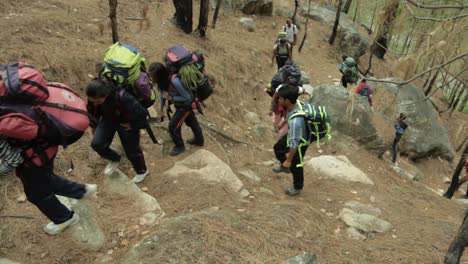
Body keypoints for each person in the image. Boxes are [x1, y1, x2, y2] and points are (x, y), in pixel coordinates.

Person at [0, 138, 96, 235]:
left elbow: (14, 159)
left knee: (37, 195)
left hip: (31, 160)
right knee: (46, 179)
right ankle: (80, 191)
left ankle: (65, 218)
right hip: (44, 146)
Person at [86, 79, 150, 183]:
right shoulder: (94, 96)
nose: (96, 104)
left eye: (98, 102)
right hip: (108, 119)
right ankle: (115, 158)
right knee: (97, 144)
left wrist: (132, 125)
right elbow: (91, 109)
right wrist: (93, 125)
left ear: (106, 95)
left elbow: (142, 114)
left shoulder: (124, 97)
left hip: (126, 122)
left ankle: (142, 171)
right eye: (93, 101)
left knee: (132, 151)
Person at [148, 62, 204, 156]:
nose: (152, 79)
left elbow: (188, 98)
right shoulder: (162, 82)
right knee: (191, 121)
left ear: (160, 75)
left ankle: (180, 146)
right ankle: (199, 140)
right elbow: (163, 93)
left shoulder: (175, 81)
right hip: (180, 104)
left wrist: (172, 98)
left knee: (173, 126)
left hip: (186, 105)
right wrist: (161, 109)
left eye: (153, 76)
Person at [272, 85, 309, 196]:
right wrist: (282, 123)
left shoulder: (296, 122)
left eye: (281, 98)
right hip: (295, 135)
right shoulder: (293, 105)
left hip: (301, 140)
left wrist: (289, 160)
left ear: (287, 100)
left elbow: (295, 144)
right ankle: (285, 166)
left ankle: (297, 187)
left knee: (296, 163)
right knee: (278, 148)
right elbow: (290, 115)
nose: (279, 100)